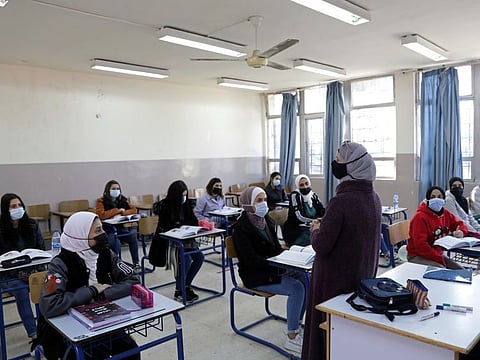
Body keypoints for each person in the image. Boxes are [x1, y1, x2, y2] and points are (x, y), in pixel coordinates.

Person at [302, 141, 382, 360]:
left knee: (326, 338)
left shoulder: (341, 201)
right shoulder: (374, 198)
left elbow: (321, 246)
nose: (335, 163)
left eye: (339, 159)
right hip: (361, 278)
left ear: (352, 166)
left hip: (333, 283)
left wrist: (316, 229)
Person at [36, 211, 140, 360]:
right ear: (80, 236)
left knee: (131, 351)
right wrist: (91, 291)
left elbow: (133, 279)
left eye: (102, 229)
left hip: (102, 318)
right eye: (98, 231)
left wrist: (102, 295)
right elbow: (49, 304)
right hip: (65, 331)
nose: (104, 234)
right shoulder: (58, 265)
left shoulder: (105, 253)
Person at [232, 187, 307, 354]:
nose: (264, 203)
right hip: (255, 275)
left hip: (272, 268)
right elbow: (250, 260)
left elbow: (275, 249)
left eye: (264, 199)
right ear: (248, 204)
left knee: (304, 276)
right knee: (296, 287)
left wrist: (291, 256)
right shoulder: (241, 228)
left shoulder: (266, 221)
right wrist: (279, 266)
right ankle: (292, 337)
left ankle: (296, 323)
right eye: (259, 200)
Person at [0, 193, 46, 346]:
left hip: (31, 271)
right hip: (8, 276)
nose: (18, 209)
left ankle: (49, 331)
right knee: (21, 290)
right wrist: (21, 274)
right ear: (5, 210)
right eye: (13, 206)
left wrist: (34, 271)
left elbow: (41, 249)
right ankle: (35, 337)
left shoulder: (31, 224)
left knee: (49, 283)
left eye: (20, 205)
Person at [154, 180, 204, 303]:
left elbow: (193, 221)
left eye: (185, 194)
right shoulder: (165, 206)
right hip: (169, 242)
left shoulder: (186, 204)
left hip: (186, 239)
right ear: (175, 195)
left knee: (199, 257)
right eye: (182, 195)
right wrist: (179, 226)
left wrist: (189, 227)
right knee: (184, 259)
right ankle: (179, 290)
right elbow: (165, 227)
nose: (184, 197)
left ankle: (185, 285)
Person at [408, 185, 467, 269]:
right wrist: (439, 259)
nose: (436, 199)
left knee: (461, 270)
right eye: (432, 197)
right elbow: (421, 246)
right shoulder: (420, 217)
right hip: (418, 255)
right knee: (442, 270)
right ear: (428, 200)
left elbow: (460, 224)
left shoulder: (445, 213)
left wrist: (462, 231)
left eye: (439, 197)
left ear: (444, 199)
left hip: (437, 254)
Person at [96, 180, 140, 272]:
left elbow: (134, 210)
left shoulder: (123, 199)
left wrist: (123, 212)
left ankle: (136, 264)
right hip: (108, 230)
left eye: (118, 188)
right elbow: (101, 215)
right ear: (108, 190)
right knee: (115, 242)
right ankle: (116, 266)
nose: (116, 190)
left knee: (132, 236)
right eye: (113, 189)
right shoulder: (101, 201)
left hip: (120, 228)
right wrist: (117, 210)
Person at [283, 174, 325, 247]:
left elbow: (321, 210)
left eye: (306, 184)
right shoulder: (295, 195)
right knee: (315, 238)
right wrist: (314, 220)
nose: (305, 187)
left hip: (311, 225)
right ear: (298, 186)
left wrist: (322, 219)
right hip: (297, 229)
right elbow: (298, 216)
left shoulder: (313, 195)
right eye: (301, 185)